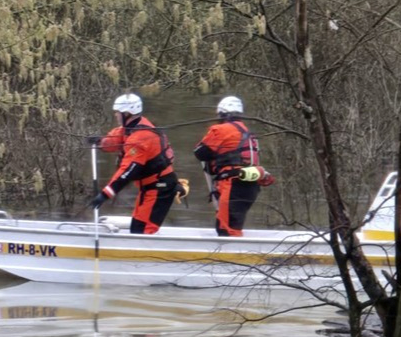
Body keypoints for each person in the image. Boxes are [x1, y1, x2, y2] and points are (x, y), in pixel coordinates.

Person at [87, 93, 185, 234]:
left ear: (127, 113)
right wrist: (100, 142)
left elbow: (128, 172)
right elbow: (116, 139)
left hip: (159, 188)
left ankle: (144, 253)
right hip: (149, 188)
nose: (115, 115)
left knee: (142, 231)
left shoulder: (141, 137)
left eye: (118, 112)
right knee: (137, 228)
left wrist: (105, 194)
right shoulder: (131, 129)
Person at [193, 96, 272, 237]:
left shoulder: (221, 129)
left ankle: (232, 254)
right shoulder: (248, 132)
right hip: (250, 186)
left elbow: (200, 152)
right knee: (230, 225)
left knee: (227, 229)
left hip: (233, 184)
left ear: (222, 113)